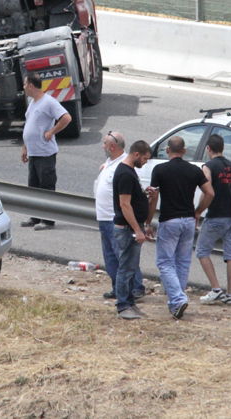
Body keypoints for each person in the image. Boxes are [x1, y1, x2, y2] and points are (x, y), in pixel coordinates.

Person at [148, 136, 214, 319]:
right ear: (184, 151)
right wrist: (198, 211)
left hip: (169, 220)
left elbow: (153, 197)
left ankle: (178, 299)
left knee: (165, 262)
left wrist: (148, 221)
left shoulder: (160, 169)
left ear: (167, 150)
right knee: (183, 262)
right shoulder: (194, 170)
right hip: (188, 220)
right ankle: (177, 301)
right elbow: (210, 193)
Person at [197, 133, 231, 306]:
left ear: (208, 148)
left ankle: (216, 288)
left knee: (202, 251)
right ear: (223, 148)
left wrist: (199, 211)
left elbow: (208, 191)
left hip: (216, 215)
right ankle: (230, 294)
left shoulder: (208, 167)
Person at [19, 73, 71, 230]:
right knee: (34, 187)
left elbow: (66, 118)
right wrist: (25, 147)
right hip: (33, 152)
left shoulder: (48, 102)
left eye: (25, 84)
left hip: (45, 153)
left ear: (31, 85)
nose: (23, 87)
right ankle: (35, 217)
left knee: (46, 187)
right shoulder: (32, 103)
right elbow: (29, 125)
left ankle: (48, 221)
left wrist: (52, 131)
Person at [112, 140, 153, 320]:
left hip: (132, 228)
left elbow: (132, 200)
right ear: (136, 154)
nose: (145, 162)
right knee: (126, 268)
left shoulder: (130, 172)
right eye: (144, 158)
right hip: (128, 229)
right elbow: (125, 205)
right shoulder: (125, 174)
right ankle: (123, 305)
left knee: (130, 267)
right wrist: (138, 230)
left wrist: (144, 195)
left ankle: (129, 302)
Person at [93, 130, 127, 299]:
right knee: (110, 257)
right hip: (104, 217)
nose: (102, 147)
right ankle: (117, 287)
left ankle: (134, 288)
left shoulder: (123, 165)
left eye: (104, 144)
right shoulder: (110, 162)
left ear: (112, 147)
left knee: (122, 257)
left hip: (114, 219)